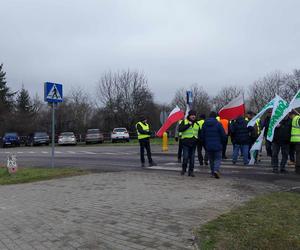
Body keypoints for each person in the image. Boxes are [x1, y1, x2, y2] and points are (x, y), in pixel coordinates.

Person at [201, 111, 226, 178]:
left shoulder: (204, 124)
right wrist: (223, 142)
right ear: (216, 117)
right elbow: (223, 135)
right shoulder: (218, 124)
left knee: (211, 159)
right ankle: (216, 170)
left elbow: (202, 135)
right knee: (218, 159)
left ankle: (212, 173)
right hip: (218, 144)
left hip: (208, 145)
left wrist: (204, 144)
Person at [178, 110, 200, 177]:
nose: (193, 116)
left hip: (193, 143)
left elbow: (199, 133)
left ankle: (191, 171)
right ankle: (184, 169)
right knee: (185, 157)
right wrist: (188, 124)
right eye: (192, 115)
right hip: (185, 143)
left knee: (192, 159)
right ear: (189, 115)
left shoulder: (197, 123)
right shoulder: (184, 121)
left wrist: (198, 140)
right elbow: (180, 129)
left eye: (194, 115)